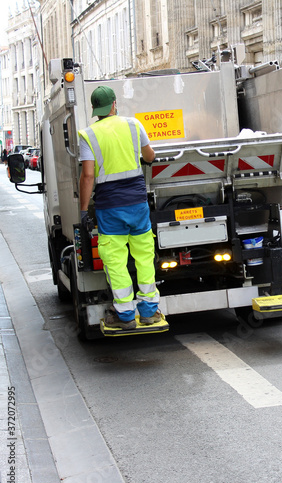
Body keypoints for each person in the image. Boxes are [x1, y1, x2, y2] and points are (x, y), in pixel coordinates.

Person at [78, 85, 160, 330]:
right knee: (144, 255)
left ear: (96, 110)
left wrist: (83, 210)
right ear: (114, 104)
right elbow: (150, 157)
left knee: (115, 260)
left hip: (109, 207)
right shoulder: (134, 126)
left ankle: (125, 316)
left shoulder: (88, 135)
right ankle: (148, 312)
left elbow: (88, 176)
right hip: (137, 204)